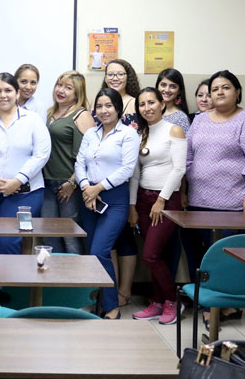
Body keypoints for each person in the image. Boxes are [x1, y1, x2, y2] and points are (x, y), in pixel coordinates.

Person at [184, 70, 245, 326]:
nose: (219, 92)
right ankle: (215, 303)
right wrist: (186, 191)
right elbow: (188, 157)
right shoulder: (199, 121)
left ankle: (224, 306)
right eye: (215, 88)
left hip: (236, 204)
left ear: (238, 91)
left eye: (226, 87)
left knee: (227, 258)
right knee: (204, 256)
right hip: (199, 203)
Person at [75, 87, 140, 319]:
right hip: (89, 197)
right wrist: (85, 187)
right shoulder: (91, 134)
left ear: (118, 109)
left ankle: (112, 306)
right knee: (93, 255)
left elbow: (127, 169)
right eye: (99, 106)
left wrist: (97, 188)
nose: (103, 111)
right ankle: (102, 301)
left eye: (108, 106)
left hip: (113, 199)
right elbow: (79, 162)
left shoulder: (128, 134)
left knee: (100, 250)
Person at [0, 73, 50, 255]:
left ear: (16, 92)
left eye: (8, 90)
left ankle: (10, 284)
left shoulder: (32, 120)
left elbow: (41, 155)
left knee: (7, 240)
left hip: (25, 193)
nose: (3, 95)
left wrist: (18, 180)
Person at [128, 88, 186, 325]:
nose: (147, 108)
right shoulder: (142, 133)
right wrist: (132, 205)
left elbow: (179, 169)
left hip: (166, 201)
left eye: (151, 102)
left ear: (162, 104)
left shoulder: (174, 129)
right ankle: (158, 302)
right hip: (143, 200)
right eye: (142, 104)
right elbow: (135, 173)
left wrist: (161, 200)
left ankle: (173, 301)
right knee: (155, 254)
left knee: (150, 256)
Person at [99, 58, 141, 307]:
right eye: (110, 74)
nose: (115, 78)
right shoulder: (103, 101)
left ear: (129, 76)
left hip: (130, 174)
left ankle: (124, 290)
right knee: (109, 240)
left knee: (125, 236)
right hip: (103, 180)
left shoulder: (136, 103)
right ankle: (109, 290)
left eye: (120, 74)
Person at [41, 71, 94, 254]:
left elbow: (89, 153)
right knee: (48, 234)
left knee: (70, 235)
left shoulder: (82, 115)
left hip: (68, 184)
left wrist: (72, 183)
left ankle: (75, 281)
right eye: (59, 85)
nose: (61, 90)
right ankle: (55, 280)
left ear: (77, 94)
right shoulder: (49, 113)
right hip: (46, 182)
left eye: (68, 87)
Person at [156, 68, 190, 133]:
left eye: (173, 86)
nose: (167, 90)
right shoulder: (150, 110)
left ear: (179, 91)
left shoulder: (181, 118)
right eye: (163, 85)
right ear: (157, 86)